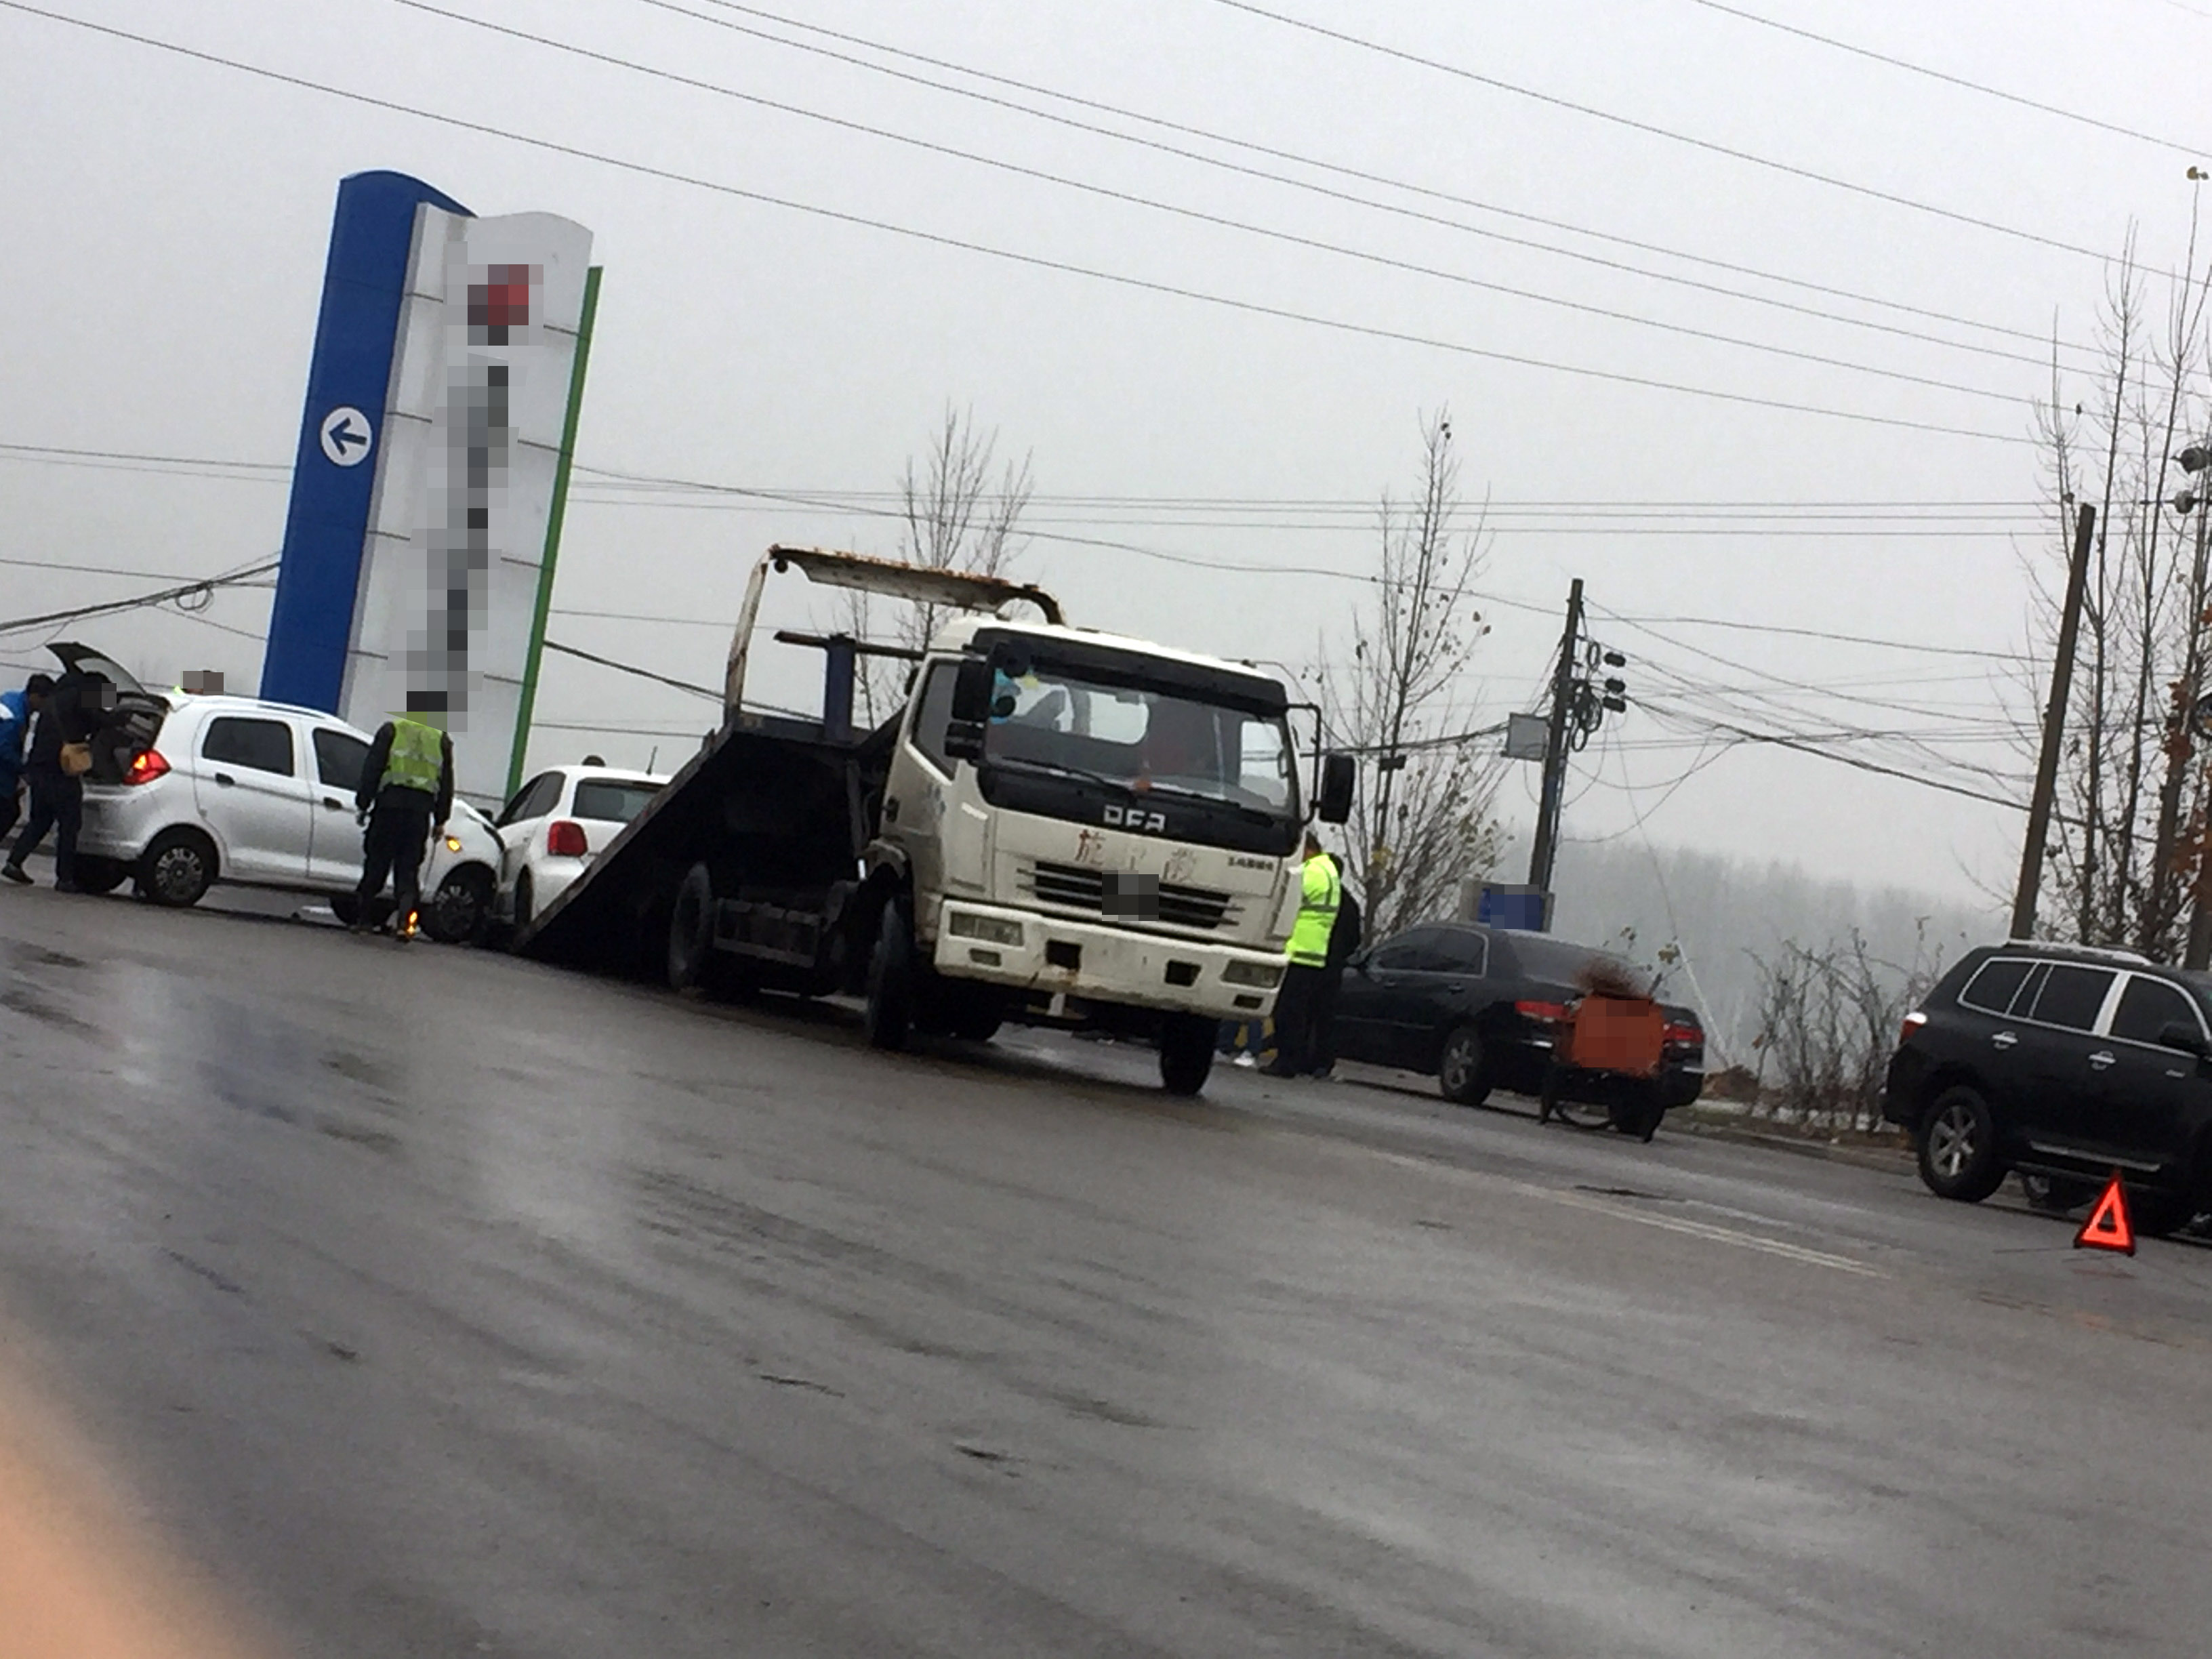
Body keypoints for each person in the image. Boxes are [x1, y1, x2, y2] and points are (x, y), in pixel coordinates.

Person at [351, 703, 455, 941]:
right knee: (408, 869)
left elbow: (373, 769)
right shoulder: (440, 740)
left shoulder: (391, 731)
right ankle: (404, 925)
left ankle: (364, 920)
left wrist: (363, 803)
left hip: (389, 807)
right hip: (419, 813)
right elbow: (446, 782)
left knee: (377, 862)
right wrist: (441, 819)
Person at [2, 667, 92, 891]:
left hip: (39, 770)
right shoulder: (84, 694)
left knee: (40, 820)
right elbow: (106, 715)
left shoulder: (52, 701)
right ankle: (65, 878)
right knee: (69, 825)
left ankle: (14, 862)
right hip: (61, 771)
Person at [1267, 830, 1340, 1078]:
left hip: (1298, 950)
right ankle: (1290, 1060)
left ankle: (1286, 1062)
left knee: (1288, 1012)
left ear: (1305, 849)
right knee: (1297, 1012)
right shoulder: (1328, 870)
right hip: (1314, 952)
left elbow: (1284, 899)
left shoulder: (1312, 872)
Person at [1306, 853, 1364, 1078]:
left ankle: (1300, 1058)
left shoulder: (1320, 895)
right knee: (1325, 1017)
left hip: (1311, 961)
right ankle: (1323, 1062)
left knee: (1304, 1013)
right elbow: (1355, 939)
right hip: (1334, 967)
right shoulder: (1350, 903)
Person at [0, 674, 52, 846]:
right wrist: (23, 769)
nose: (46, 706)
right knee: (9, 811)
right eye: (45, 700)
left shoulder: (11, 698)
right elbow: (4, 748)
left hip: (6, 773)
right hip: (3, 773)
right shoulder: (16, 718)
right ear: (35, 696)